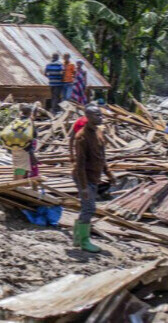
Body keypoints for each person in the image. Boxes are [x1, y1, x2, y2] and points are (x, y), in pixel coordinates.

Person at [73, 105, 116, 253]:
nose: (100, 117)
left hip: (94, 176)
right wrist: (84, 187)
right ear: (88, 117)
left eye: (100, 114)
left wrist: (109, 174)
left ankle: (77, 237)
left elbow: (101, 157)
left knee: (86, 207)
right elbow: (80, 165)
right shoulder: (82, 137)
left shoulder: (98, 132)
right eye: (96, 115)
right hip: (84, 177)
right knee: (89, 208)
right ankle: (84, 241)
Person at [2, 104, 37, 181]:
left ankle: (15, 182)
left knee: (18, 166)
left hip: (13, 147)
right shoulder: (29, 122)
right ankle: (18, 183)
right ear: (30, 113)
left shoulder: (16, 121)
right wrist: (32, 153)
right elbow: (33, 136)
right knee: (21, 168)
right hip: (24, 148)